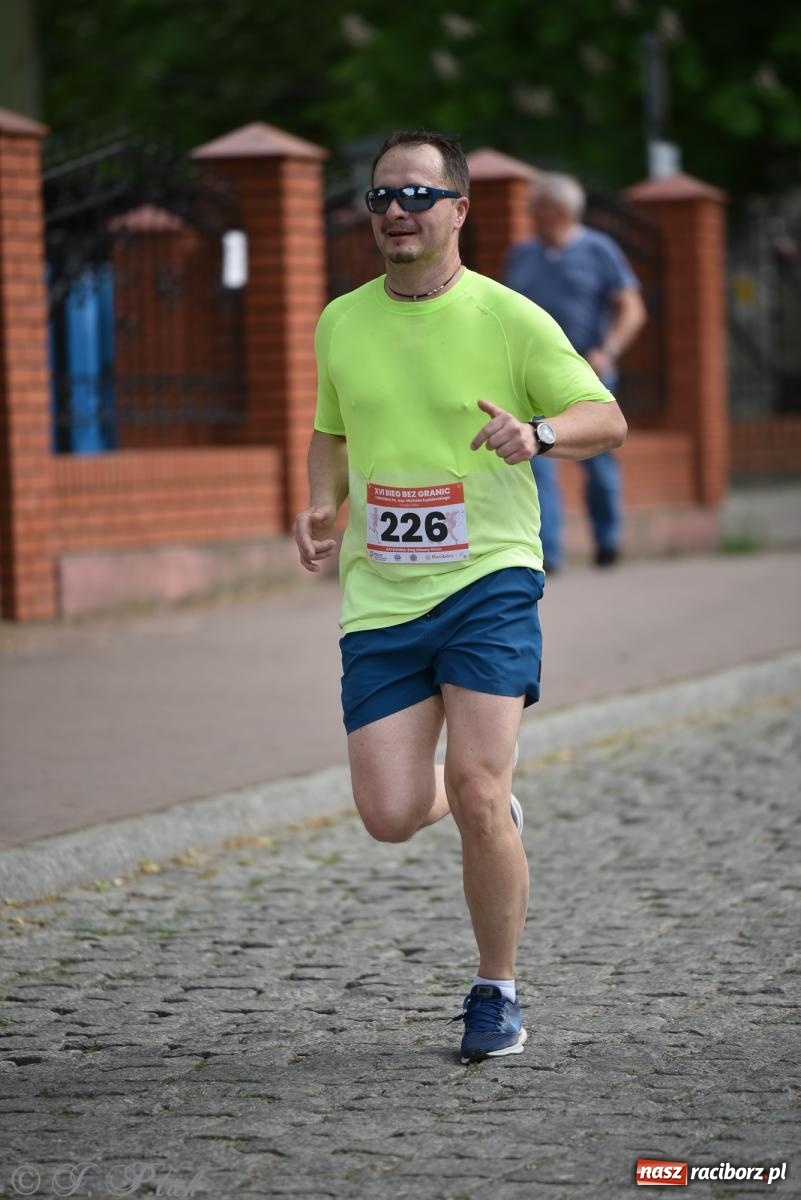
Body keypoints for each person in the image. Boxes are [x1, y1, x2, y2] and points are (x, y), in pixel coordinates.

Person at [294, 131, 626, 1063]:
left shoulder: (510, 317)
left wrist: (540, 434)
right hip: (382, 597)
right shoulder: (340, 321)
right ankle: (493, 808)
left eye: (416, 194)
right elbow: (329, 430)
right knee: (392, 813)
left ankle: (496, 990)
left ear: (459, 210)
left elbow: (608, 417)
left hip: (489, 578)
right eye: (380, 197)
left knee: (476, 787)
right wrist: (323, 500)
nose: (396, 210)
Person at [505, 172, 647, 569]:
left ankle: (607, 540)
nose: (532, 215)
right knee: (537, 454)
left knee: (597, 459)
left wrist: (610, 349)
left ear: (560, 210)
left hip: (587, 369)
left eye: (538, 208)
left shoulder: (599, 249)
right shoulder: (522, 253)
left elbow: (632, 308)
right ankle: (549, 552)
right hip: (531, 375)